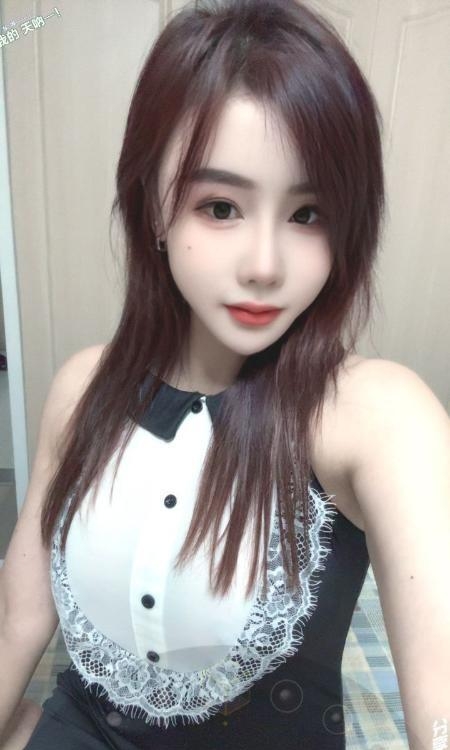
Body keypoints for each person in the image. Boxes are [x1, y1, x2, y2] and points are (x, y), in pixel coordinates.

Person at [1, 0, 449, 749]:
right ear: (154, 208)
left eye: (308, 215)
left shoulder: (376, 413)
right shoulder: (82, 389)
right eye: (220, 207)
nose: (265, 266)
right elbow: (19, 616)